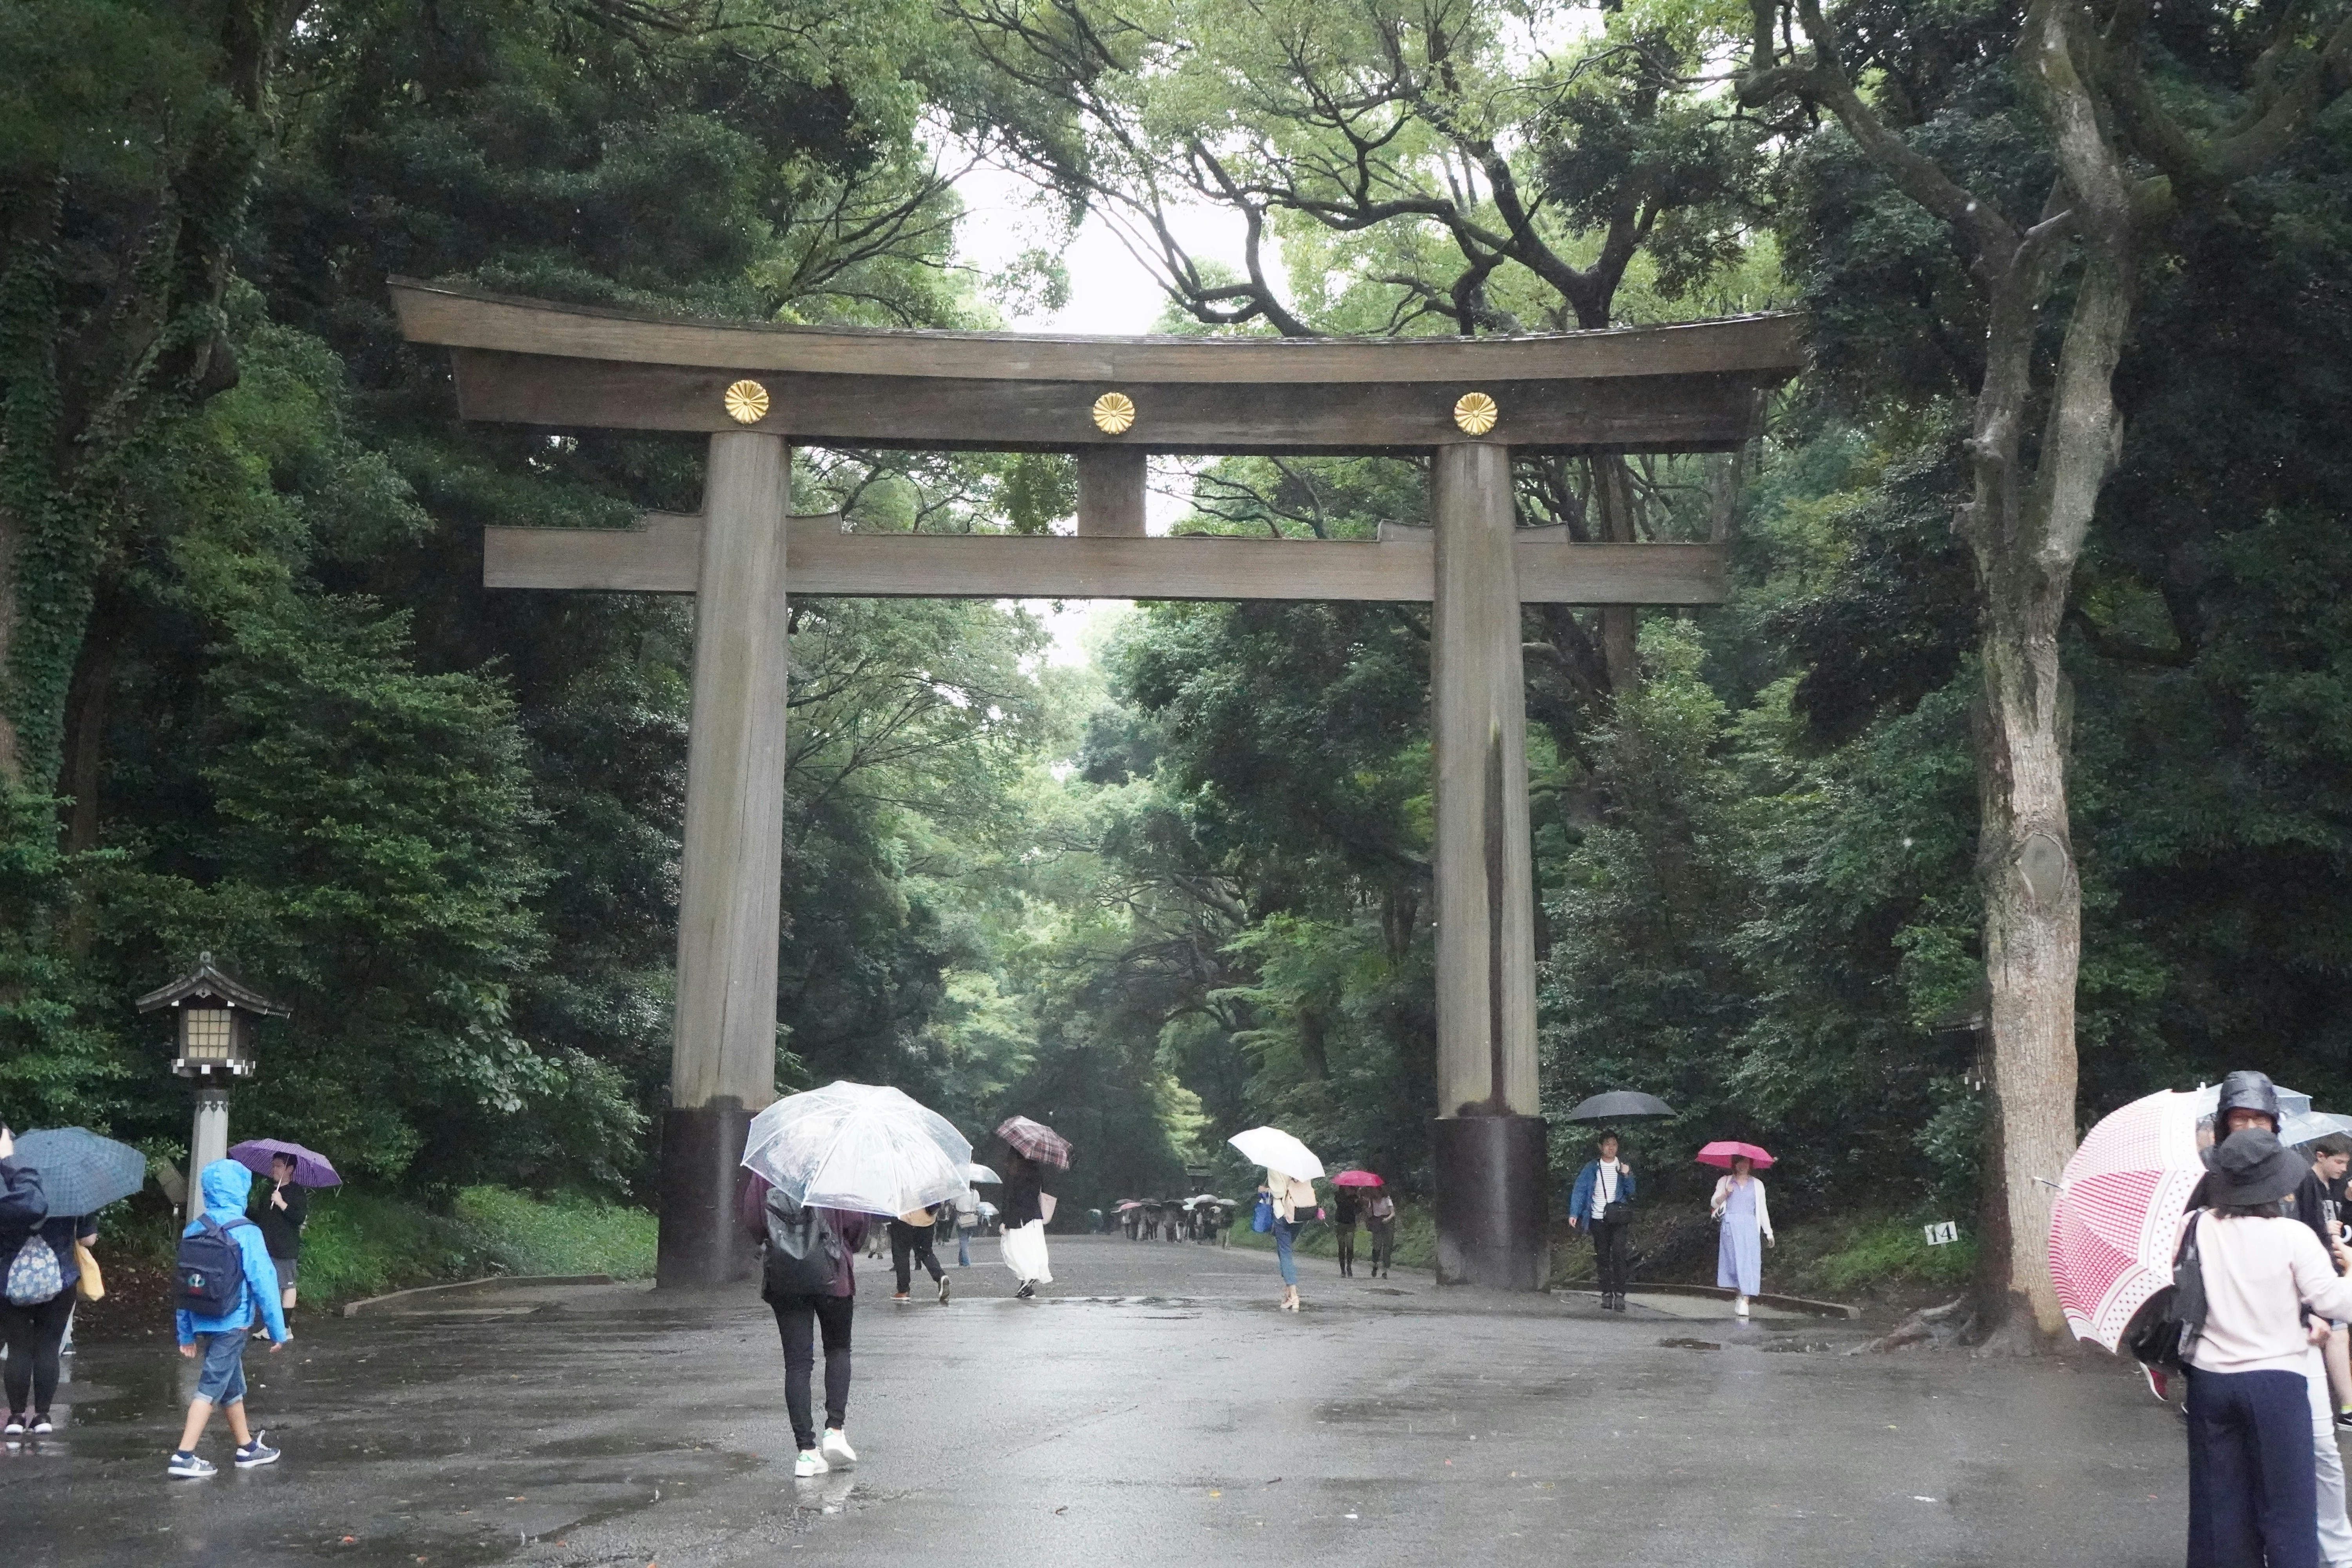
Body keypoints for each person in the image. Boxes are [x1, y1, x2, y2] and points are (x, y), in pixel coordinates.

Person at [2190, 1069, 2352, 1564]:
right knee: (2287, 1508)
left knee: (2220, 1510)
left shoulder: (2192, 1226)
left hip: (2210, 1378)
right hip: (2277, 1378)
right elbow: (2334, 1302)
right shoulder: (2292, 1236)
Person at [742, 1172, 869, 1478]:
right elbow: (857, 1223)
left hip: (786, 1276)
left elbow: (753, 1220)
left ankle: (807, 1453)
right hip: (833, 1271)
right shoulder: (838, 1166)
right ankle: (835, 1430)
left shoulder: (770, 1167)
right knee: (838, 1350)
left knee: (797, 1364)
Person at [170, 1158, 290, 1478]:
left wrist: (185, 1333)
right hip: (233, 1322)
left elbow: (185, 1284)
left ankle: (247, 1448)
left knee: (231, 1385)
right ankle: (184, 1456)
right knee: (210, 1386)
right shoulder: (247, 1232)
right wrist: (278, 1330)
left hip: (203, 1316)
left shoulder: (195, 1228)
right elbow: (265, 1283)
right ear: (241, 1190)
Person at [2, 1126, 99, 1440]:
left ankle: (16, 1417)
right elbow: (88, 1239)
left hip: (8, 1280)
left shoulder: (7, 1184)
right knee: (47, 1347)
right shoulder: (73, 1184)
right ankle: (43, 1415)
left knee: (18, 1349)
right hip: (60, 1278)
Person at [1568, 1132, 1637, 1312]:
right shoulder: (1592, 1168)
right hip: (1598, 1218)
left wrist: (1627, 1175)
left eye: (1614, 1144)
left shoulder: (1622, 1167)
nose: (1611, 1148)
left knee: (1620, 1254)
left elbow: (1632, 1192)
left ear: (1618, 1147)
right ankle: (1606, 1293)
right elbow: (1580, 1190)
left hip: (1619, 1218)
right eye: (1607, 1144)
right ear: (1601, 1147)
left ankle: (1620, 1295)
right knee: (1603, 1257)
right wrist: (1574, 1213)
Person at [2312, 1135, 2352, 1428]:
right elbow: (2292, 1223)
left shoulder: (2337, 1186)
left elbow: (2343, 1227)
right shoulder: (2305, 1183)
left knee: (2337, 1335)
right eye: (2338, 1162)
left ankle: (2347, 1408)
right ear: (2321, 1156)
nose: (2343, 1169)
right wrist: (2321, 1228)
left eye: (2346, 1164)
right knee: (2335, 1334)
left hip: (2332, 1266)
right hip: (2313, 1270)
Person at [1710, 1154, 1773, 1318]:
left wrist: (1768, 1232)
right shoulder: (1725, 1181)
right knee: (1735, 1264)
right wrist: (1726, 1194)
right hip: (1730, 1227)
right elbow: (1714, 1203)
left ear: (1750, 1164)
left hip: (1750, 1227)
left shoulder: (1758, 1185)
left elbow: (1762, 1209)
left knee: (1749, 1263)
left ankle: (1746, 1300)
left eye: (1745, 1162)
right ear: (1734, 1165)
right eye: (1739, 1163)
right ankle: (1740, 1295)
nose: (1742, 1166)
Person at [252, 1152, 309, 1321]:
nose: (274, 1169)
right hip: (267, 1246)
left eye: (279, 1166)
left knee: (287, 1285)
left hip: (285, 1247)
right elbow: (260, 1216)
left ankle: (285, 1327)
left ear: (290, 1169)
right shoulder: (269, 1190)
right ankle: (273, 1325)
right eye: (273, 1165)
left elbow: (298, 1218)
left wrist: (281, 1203)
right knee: (271, 1287)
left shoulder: (296, 1192)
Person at [1000, 1150, 1052, 1299]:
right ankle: (1027, 1286)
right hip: (1034, 1217)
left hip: (1018, 1218)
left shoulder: (1014, 1173)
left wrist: (1004, 1220)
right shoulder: (1036, 1170)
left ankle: (1028, 1278)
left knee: (1015, 1249)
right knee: (1032, 1247)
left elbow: (1009, 1197)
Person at [1264, 1168, 1316, 1313]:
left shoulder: (1275, 1165)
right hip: (1301, 1214)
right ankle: (1288, 1295)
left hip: (1284, 1213)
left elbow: (1279, 1193)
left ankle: (1293, 1296)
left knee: (1285, 1253)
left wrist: (1267, 1189)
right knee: (1284, 1252)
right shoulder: (1301, 1163)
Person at [888, 1207, 949, 1303]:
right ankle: (940, 1276)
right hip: (927, 1220)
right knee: (926, 1252)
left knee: (902, 1254)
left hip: (905, 1219)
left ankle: (903, 1291)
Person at [1364, 1189, 1396, 1278]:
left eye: (1376, 1191)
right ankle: (1375, 1264)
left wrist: (1388, 1219)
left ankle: (1385, 1270)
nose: (1374, 1192)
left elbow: (1393, 1213)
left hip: (1388, 1222)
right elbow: (1370, 1214)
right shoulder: (1372, 1200)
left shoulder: (1387, 1199)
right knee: (1377, 1245)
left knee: (1387, 1246)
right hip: (1377, 1222)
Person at [1332, 1184, 1361, 1278]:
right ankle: (1343, 1270)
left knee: (1350, 1246)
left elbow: (1358, 1210)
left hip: (1350, 1223)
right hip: (1340, 1223)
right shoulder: (1339, 1196)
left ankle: (1349, 1267)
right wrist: (1351, 1197)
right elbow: (1341, 1204)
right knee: (1341, 1246)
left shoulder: (1356, 1197)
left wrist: (1358, 1200)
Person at [953, 1186, 979, 1267]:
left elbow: (952, 1202)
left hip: (961, 1218)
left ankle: (966, 1262)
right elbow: (977, 1204)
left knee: (963, 1240)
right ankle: (961, 1260)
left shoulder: (957, 1192)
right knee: (966, 1240)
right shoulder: (975, 1192)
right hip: (972, 1217)